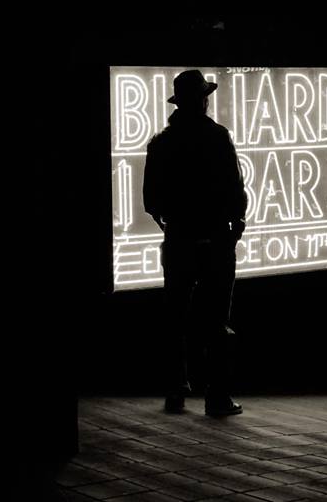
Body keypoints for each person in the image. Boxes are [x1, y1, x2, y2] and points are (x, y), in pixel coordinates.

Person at [143, 69, 248, 417]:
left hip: (178, 240)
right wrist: (236, 222)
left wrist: (170, 223)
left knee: (175, 315)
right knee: (217, 317)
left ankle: (176, 388)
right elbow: (235, 187)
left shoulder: (160, 143)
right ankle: (217, 397)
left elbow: (151, 200)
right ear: (203, 100)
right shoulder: (218, 137)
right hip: (216, 238)